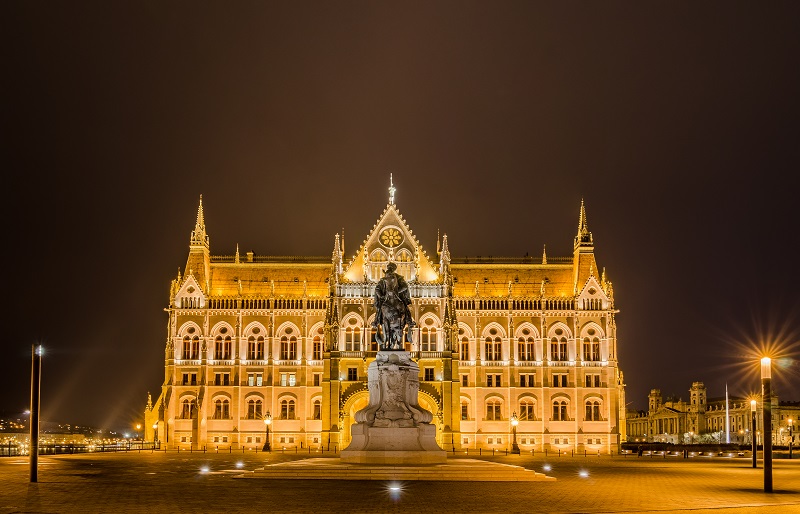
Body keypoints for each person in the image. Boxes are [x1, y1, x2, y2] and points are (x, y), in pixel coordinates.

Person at [373, 262, 415, 350]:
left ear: (394, 269)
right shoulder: (383, 279)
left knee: (405, 307)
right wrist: (381, 296)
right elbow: (377, 289)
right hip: (386, 297)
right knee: (380, 309)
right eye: (389, 267)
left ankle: (409, 321)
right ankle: (376, 321)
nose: (390, 269)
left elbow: (405, 287)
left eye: (391, 268)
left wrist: (397, 292)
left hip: (397, 296)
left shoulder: (399, 278)